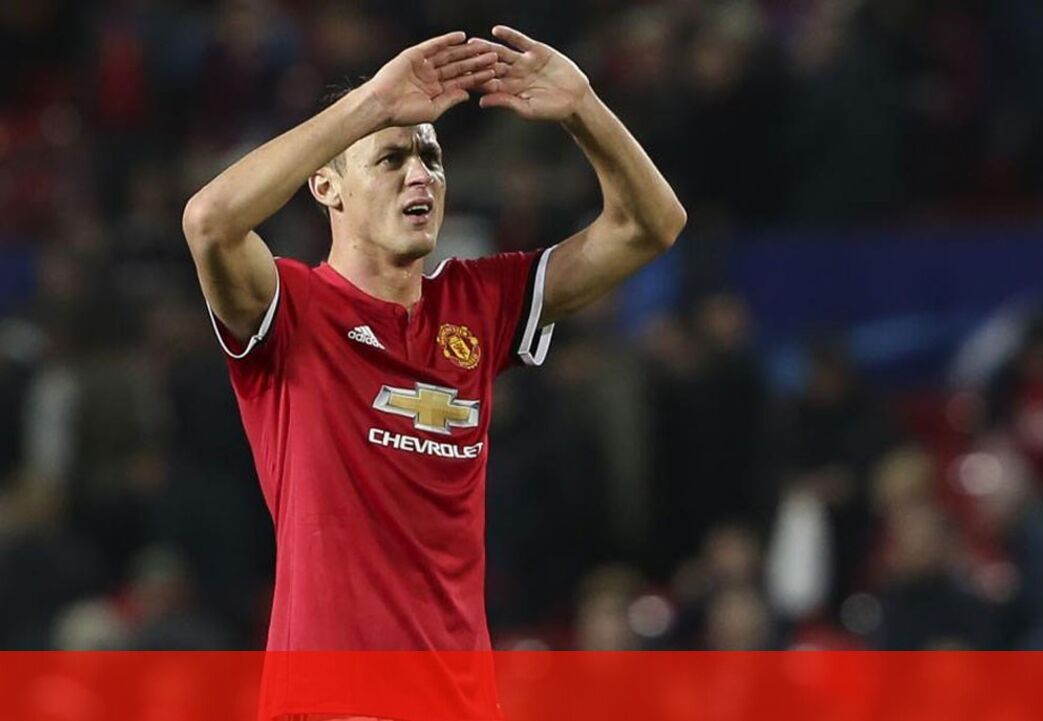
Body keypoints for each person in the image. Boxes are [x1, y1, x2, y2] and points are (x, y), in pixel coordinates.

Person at [180, 27, 686, 721]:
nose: (421, 175)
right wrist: (371, 104)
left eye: (431, 157)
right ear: (326, 185)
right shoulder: (290, 308)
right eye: (391, 158)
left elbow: (651, 226)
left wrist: (584, 109)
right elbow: (209, 220)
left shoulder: (478, 304)